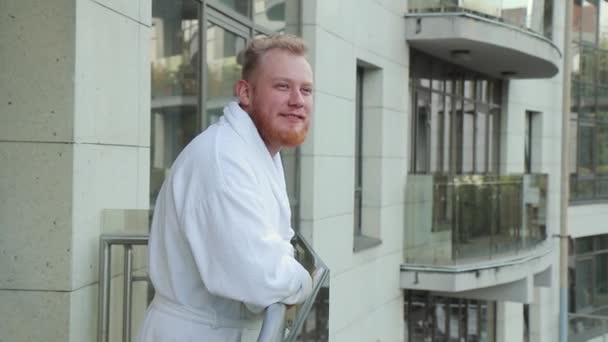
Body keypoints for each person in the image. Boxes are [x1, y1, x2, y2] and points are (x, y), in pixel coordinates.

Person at [137, 34, 314, 341]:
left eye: (306, 90)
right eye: (282, 86)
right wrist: (304, 279)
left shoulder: (256, 152)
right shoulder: (223, 161)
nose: (297, 100)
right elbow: (259, 277)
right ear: (245, 92)